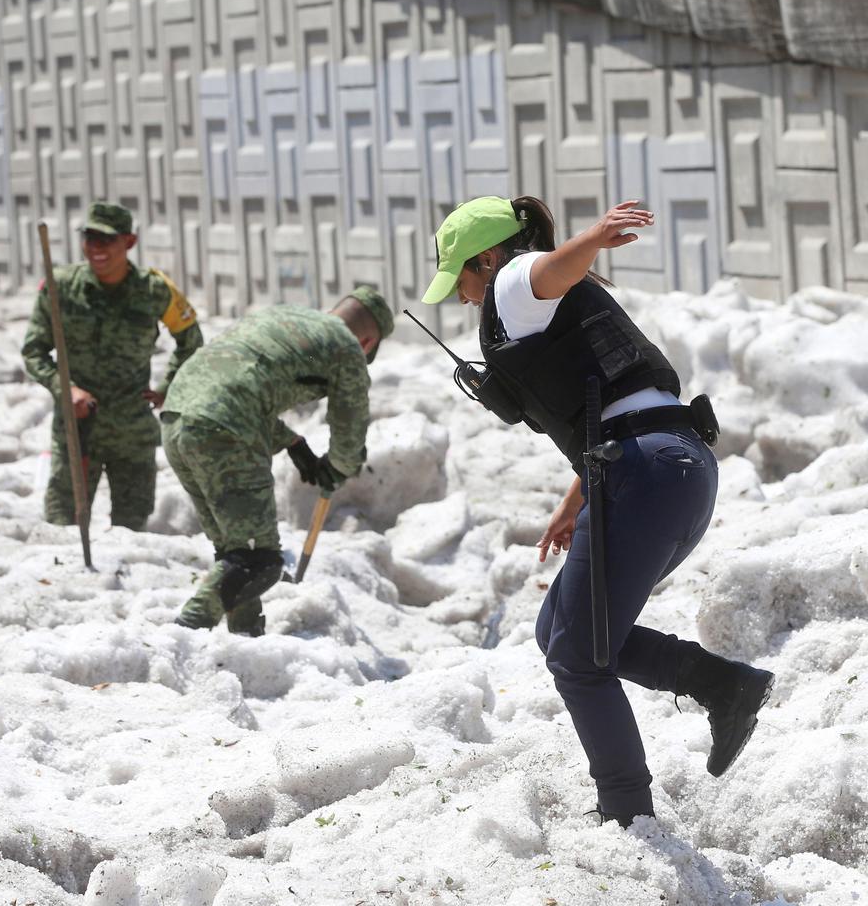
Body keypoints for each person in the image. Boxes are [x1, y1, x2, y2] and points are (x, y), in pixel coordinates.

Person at [419, 195, 774, 826]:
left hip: (646, 476)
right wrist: (576, 497)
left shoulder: (513, 281)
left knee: (578, 657)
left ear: (488, 258)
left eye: (462, 280)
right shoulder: (538, 300)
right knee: (559, 630)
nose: (465, 298)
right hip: (675, 468)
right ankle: (723, 685)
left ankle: (627, 816)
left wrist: (593, 237)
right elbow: (616, 404)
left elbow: (545, 270)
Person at [161, 287, 394, 636]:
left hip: (176, 418)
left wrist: (293, 442)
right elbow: (350, 427)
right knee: (260, 561)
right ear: (367, 342)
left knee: (237, 552)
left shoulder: (281, 316)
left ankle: (247, 637)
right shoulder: (346, 348)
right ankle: (181, 635)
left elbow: (234, 382)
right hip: (224, 428)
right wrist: (338, 468)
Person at [22, 202, 203, 531]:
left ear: (129, 242)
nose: (97, 248)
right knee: (63, 527)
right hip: (78, 431)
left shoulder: (155, 290)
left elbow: (191, 342)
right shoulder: (61, 287)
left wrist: (168, 388)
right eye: (90, 238)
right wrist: (66, 389)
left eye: (107, 239)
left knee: (131, 533)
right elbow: (34, 351)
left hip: (131, 434)